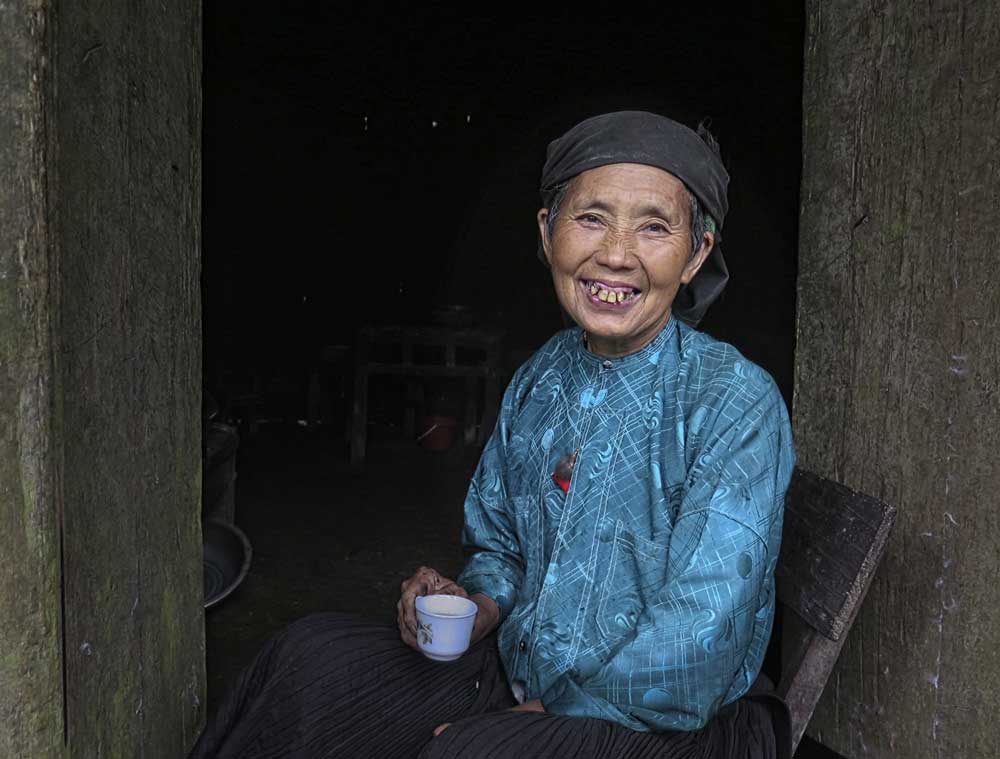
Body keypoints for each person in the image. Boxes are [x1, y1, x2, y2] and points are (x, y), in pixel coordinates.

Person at [189, 111, 795, 759]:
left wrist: (535, 719)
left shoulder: (731, 401)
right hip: (521, 672)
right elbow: (501, 545)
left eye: (654, 226)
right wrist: (476, 605)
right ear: (548, 231)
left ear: (696, 253)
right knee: (308, 661)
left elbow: (700, 640)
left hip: (674, 721)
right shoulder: (542, 377)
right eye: (592, 218)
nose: (617, 254)